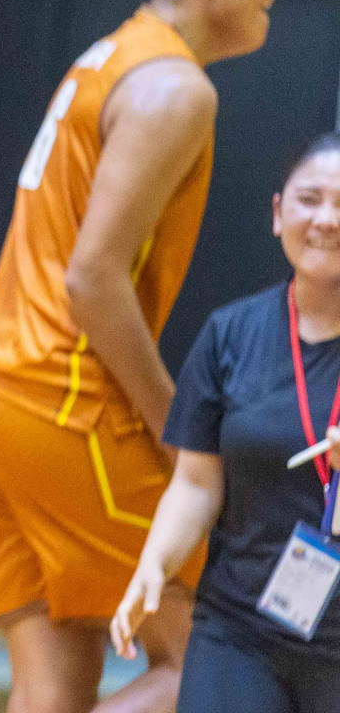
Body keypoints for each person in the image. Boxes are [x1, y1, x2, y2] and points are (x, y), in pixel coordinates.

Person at [0, 0, 283, 713]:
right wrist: (183, 430)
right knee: (226, 656)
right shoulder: (175, 86)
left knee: (53, 689)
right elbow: (93, 276)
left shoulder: (111, 54)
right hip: (67, 406)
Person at [112, 133, 340, 713]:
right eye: (310, 199)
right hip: (242, 630)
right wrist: (154, 565)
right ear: (277, 212)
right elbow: (196, 483)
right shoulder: (230, 333)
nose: (327, 220)